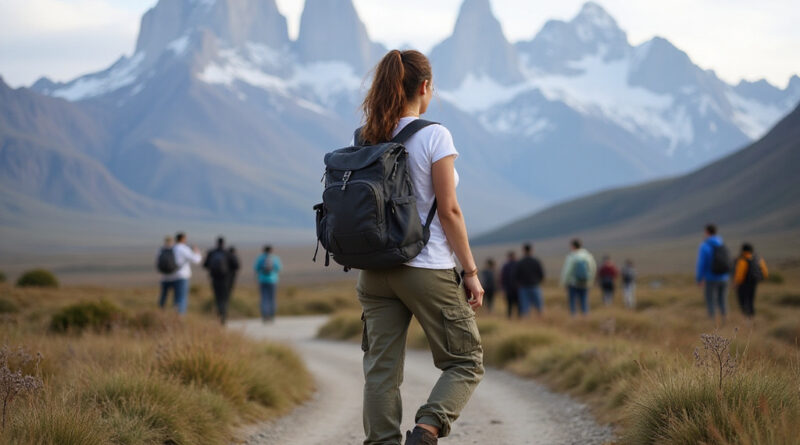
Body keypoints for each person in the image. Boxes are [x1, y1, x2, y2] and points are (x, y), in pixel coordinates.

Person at [354, 50, 484, 445]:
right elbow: (449, 210)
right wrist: (471, 272)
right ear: (425, 87)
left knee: (381, 369)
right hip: (426, 267)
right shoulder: (434, 135)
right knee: (465, 360)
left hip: (374, 271)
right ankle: (426, 431)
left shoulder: (367, 135)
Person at [696, 224, 731, 322]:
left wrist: (699, 278)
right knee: (723, 299)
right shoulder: (721, 243)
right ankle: (725, 318)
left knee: (710, 300)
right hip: (724, 277)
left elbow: (702, 263)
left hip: (711, 277)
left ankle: (712, 321)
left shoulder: (705, 246)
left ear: (707, 232)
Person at [161, 232, 201, 315]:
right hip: (181, 276)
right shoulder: (183, 248)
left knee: (164, 299)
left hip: (166, 276)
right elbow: (196, 260)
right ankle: (179, 319)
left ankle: (161, 314)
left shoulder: (169, 249)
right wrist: (197, 251)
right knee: (180, 299)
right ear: (183, 239)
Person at [560, 238, 597, 316]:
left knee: (572, 301)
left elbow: (567, 271)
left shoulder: (572, 257)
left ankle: (574, 317)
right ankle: (585, 316)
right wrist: (591, 280)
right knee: (584, 300)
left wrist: (564, 282)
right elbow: (593, 268)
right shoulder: (588, 256)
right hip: (585, 282)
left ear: (573, 246)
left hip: (573, 283)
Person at [733, 243, 768, 319]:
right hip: (753, 282)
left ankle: (745, 316)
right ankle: (752, 316)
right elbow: (765, 272)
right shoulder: (757, 258)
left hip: (743, 284)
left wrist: (736, 283)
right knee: (751, 299)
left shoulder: (742, 259)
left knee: (743, 300)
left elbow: (740, 273)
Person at [203, 237, 233, 325]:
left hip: (214, 278)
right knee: (224, 298)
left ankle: (219, 316)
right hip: (225, 279)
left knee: (217, 298)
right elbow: (236, 265)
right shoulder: (227, 253)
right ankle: (223, 316)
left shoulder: (212, 252)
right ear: (224, 243)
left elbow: (205, 265)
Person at [515, 243, 545, 316]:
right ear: (531, 250)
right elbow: (541, 274)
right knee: (539, 307)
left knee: (525, 308)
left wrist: (519, 283)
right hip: (534, 285)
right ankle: (540, 319)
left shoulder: (520, 262)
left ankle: (526, 322)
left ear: (523, 250)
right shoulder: (536, 261)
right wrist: (537, 281)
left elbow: (516, 275)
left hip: (523, 287)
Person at [254, 245, 282, 322]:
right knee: (272, 299)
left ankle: (265, 316)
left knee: (264, 298)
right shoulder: (275, 258)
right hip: (273, 280)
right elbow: (279, 268)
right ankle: (272, 315)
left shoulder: (260, 258)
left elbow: (256, 268)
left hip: (262, 280)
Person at [500, 251, 520, 319]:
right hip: (517, 289)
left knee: (510, 305)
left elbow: (502, 279)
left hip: (509, 289)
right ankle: (519, 318)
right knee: (517, 305)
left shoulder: (506, 266)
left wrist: (503, 289)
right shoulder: (518, 264)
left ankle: (510, 317)